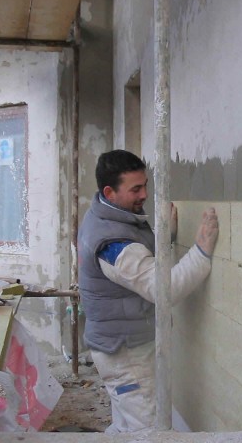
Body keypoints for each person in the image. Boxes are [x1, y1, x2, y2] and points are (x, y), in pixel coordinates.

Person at [77, 149, 219, 433]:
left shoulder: (105, 216)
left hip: (118, 346)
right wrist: (201, 252)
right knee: (149, 431)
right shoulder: (113, 244)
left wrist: (164, 239)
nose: (144, 195)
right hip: (125, 356)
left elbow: (137, 265)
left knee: (126, 426)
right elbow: (164, 290)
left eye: (145, 185)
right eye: (136, 189)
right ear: (110, 192)